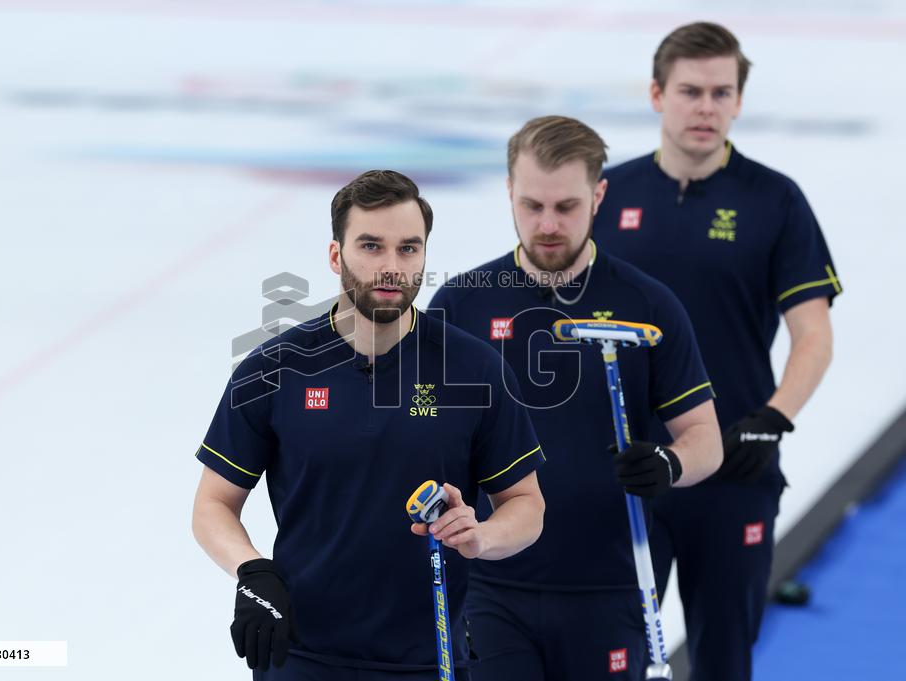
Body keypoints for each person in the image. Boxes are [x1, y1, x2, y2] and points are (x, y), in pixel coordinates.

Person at [191, 169, 546, 681]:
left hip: (429, 661)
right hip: (302, 659)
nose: (391, 267)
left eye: (408, 249)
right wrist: (251, 570)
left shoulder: (474, 368)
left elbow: (527, 505)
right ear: (336, 255)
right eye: (371, 246)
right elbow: (213, 504)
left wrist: (482, 536)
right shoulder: (274, 368)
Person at [429, 116, 722, 681]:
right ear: (509, 192)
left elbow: (706, 439)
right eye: (531, 205)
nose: (547, 225)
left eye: (566, 207)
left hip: (611, 584)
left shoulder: (648, 304)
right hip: (489, 579)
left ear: (599, 195)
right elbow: (420, 428)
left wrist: (669, 462)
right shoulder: (461, 305)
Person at [593, 22, 841, 681]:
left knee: (725, 661)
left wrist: (774, 417)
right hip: (624, 474)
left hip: (733, 467)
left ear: (738, 101)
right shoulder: (604, 196)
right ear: (657, 94)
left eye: (721, 93)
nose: (706, 107)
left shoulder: (774, 200)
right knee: (610, 658)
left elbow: (813, 333)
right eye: (690, 91)